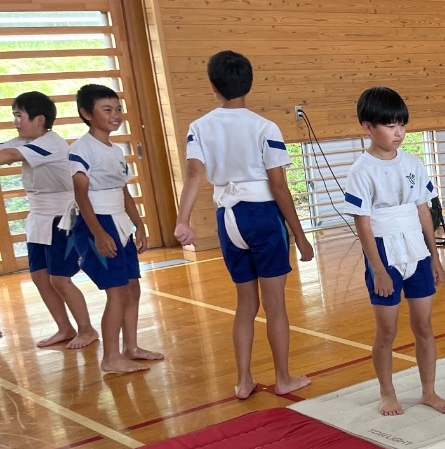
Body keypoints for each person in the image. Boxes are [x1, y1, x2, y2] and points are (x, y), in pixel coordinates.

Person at [174, 50, 314, 399]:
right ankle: (283, 378)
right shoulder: (265, 127)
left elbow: (194, 174)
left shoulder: (199, 127)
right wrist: (300, 235)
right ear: (249, 83)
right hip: (262, 215)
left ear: (213, 86)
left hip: (228, 216)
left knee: (245, 304)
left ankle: (243, 381)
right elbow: (279, 186)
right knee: (275, 305)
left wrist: (183, 219)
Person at [341, 87, 445, 417]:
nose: (399, 133)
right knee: (387, 331)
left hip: (416, 249)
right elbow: (362, 224)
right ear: (367, 127)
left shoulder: (413, 162)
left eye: (402, 125)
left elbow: (423, 210)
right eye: (390, 126)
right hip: (383, 250)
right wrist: (377, 269)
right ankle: (387, 392)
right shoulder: (361, 170)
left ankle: (429, 390)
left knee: (424, 325)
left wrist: (434, 255)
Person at [68, 84, 164, 374]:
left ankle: (131, 347)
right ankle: (110, 357)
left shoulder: (116, 150)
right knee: (117, 292)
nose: (115, 115)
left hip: (119, 222)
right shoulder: (81, 150)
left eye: (118, 109)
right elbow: (81, 196)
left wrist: (140, 225)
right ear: (86, 113)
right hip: (97, 222)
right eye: (107, 110)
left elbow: (124, 192)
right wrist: (98, 233)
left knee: (132, 288)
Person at [0, 91, 96, 348]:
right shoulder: (26, 140)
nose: (16, 122)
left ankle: (87, 329)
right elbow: (5, 148)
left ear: (39, 119)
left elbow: (6, 156)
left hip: (62, 218)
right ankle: (64, 328)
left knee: (60, 279)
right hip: (39, 217)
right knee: (40, 276)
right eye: (14, 116)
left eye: (19, 116)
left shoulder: (51, 144)